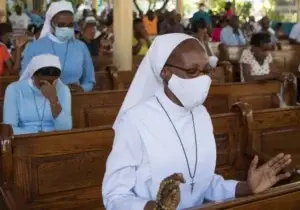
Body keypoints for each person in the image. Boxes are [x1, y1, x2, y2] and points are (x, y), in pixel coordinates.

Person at [102, 33, 292, 210]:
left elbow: (203, 184)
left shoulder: (201, 114)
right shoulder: (135, 120)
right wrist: (156, 207)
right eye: (192, 71)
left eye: (206, 71)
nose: (202, 79)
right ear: (165, 72)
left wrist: (246, 187)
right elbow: (115, 196)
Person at [21, 0, 95, 92]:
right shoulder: (34, 47)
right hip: (43, 100)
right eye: (61, 25)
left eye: (70, 25)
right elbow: (25, 81)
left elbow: (89, 80)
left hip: (76, 100)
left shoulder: (81, 47)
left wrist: (82, 88)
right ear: (52, 23)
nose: (66, 28)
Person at [3, 54, 72, 135]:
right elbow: (9, 129)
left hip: (54, 138)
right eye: (43, 82)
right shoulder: (14, 89)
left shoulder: (63, 89)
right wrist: (36, 135)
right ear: (32, 76)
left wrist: (54, 100)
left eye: (53, 82)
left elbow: (66, 128)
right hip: (25, 139)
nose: (49, 85)